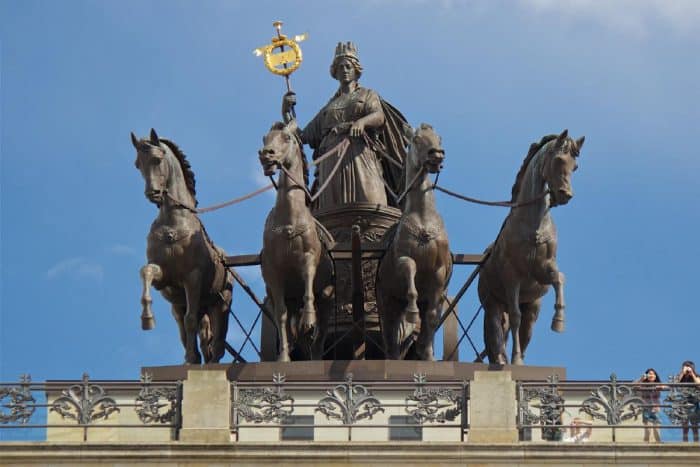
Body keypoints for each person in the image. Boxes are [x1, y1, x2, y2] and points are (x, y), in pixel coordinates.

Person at [282, 41, 407, 211]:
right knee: (330, 207)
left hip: (360, 153)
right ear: (335, 72)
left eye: (348, 66)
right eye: (340, 67)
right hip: (331, 160)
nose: (345, 70)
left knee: (369, 198)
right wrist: (287, 112)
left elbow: (379, 116)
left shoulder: (367, 94)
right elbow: (302, 136)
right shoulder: (329, 107)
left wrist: (362, 122)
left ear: (356, 70)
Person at [634, 368, 665, 443]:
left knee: (657, 430)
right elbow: (635, 387)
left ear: (655, 376)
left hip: (656, 410)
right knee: (648, 430)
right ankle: (646, 446)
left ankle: (659, 446)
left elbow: (665, 386)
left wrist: (660, 386)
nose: (652, 375)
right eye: (650, 373)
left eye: (653, 374)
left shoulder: (658, 384)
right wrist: (641, 379)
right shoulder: (643, 385)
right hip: (646, 409)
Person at [677, 360, 700, 442]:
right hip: (683, 403)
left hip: (694, 403)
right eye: (685, 366)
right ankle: (685, 443)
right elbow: (675, 384)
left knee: (694, 426)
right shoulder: (681, 376)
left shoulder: (696, 376)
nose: (687, 368)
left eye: (689, 366)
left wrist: (692, 374)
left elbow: (698, 384)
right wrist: (682, 373)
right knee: (685, 427)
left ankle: (696, 443)